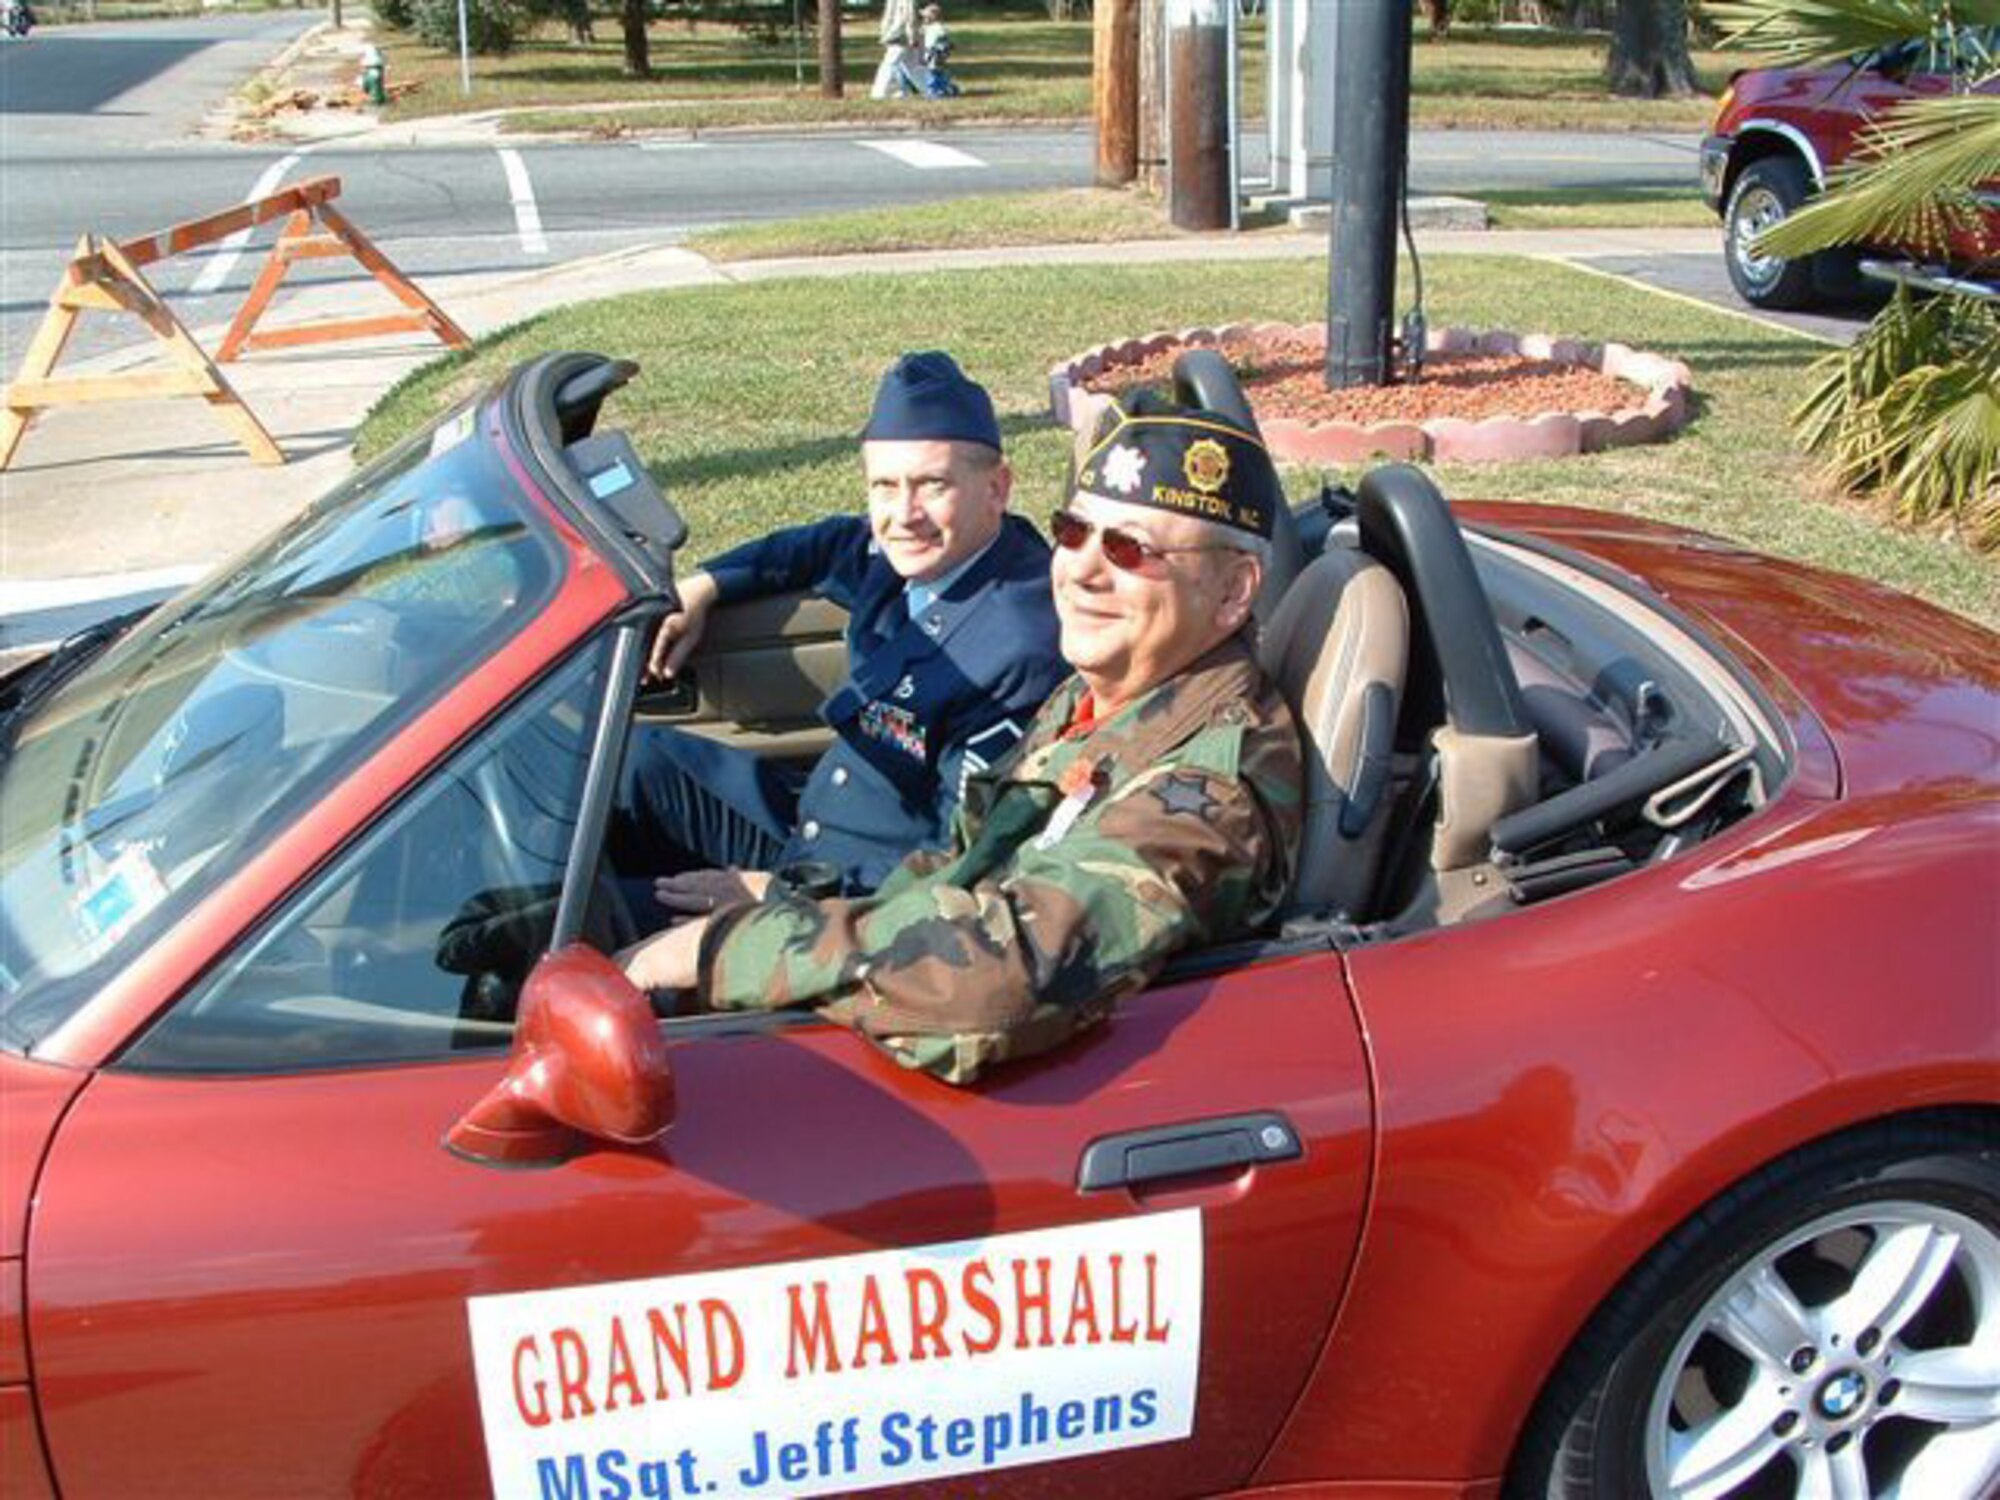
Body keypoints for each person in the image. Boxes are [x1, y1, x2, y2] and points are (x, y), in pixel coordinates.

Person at [619, 392, 1304, 1085]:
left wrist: (727, 951)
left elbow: (995, 983)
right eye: (1073, 532)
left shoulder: (1203, 793)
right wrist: (793, 912)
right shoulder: (1103, 697)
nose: (1082, 571)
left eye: (1131, 550)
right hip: (915, 974)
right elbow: (962, 862)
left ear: (1233, 591)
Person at [612, 351, 1064, 913]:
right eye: (884, 486)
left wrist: (778, 895)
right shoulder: (920, 554)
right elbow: (817, 547)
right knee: (626, 761)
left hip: (858, 902)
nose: (903, 514)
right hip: (811, 824)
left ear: (997, 488)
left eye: (932, 485)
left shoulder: (1016, 647)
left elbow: (962, 856)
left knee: (600, 917)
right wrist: (705, 586)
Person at [870, 0, 922, 99]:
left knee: (910, 65)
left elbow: (888, 15)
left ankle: (925, 89)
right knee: (891, 64)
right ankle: (880, 93)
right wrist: (912, 37)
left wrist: (884, 33)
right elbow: (909, 17)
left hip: (893, 33)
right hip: (901, 35)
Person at [919, 4, 961, 98]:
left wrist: (944, 47)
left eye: (926, 17)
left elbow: (944, 39)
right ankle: (947, 88)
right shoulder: (928, 27)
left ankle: (934, 91)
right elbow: (922, 34)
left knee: (932, 72)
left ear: (932, 17)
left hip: (935, 53)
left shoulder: (938, 27)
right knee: (937, 72)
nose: (924, 19)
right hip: (930, 52)